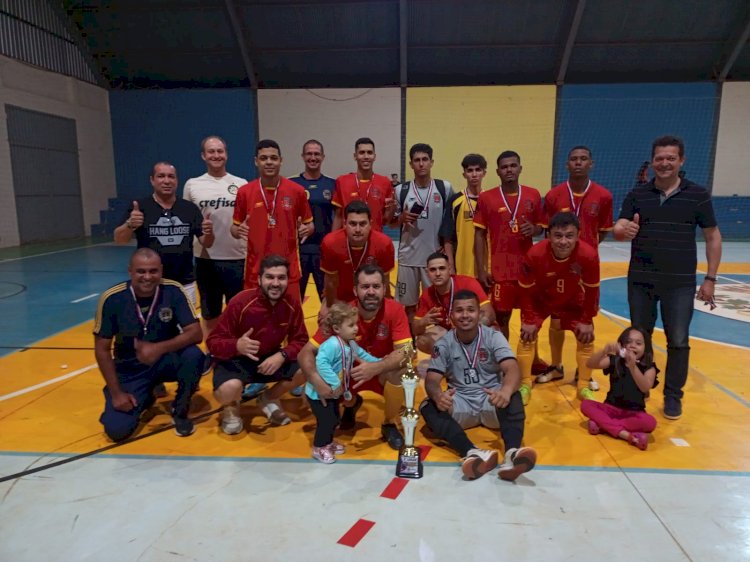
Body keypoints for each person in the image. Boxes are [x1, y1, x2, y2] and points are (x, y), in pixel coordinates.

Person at [614, 135, 722, 420]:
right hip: (641, 279)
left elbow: (713, 236)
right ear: (653, 161)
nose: (664, 163)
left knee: (678, 339)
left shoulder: (697, 195)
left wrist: (710, 278)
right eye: (660, 158)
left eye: (670, 158)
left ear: (681, 160)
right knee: (639, 338)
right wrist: (624, 230)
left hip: (680, 283)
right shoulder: (638, 194)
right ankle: (636, 391)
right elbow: (620, 225)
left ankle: (673, 395)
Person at [421, 289, 537, 481]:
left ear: (479, 313)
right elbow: (432, 380)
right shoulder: (443, 344)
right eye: (459, 310)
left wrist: (506, 391)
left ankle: (512, 454)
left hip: (491, 399)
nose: (465, 315)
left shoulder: (493, 336)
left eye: (470, 310)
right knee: (427, 405)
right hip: (460, 402)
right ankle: (473, 453)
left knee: (514, 395)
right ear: (451, 316)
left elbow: (512, 368)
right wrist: (438, 396)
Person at [94, 248, 205, 441]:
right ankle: (144, 396)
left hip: (166, 360)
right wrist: (117, 393)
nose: (147, 277)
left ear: (161, 271)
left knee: (194, 356)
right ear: (130, 271)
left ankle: (180, 411)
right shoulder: (113, 298)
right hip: (131, 368)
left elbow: (196, 333)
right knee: (117, 431)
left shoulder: (173, 290)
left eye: (153, 271)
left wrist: (158, 348)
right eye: (141, 271)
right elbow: (102, 350)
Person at [298, 264, 412, 449]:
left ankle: (389, 423)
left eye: (376, 286)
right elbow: (305, 352)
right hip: (347, 375)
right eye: (365, 287)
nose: (371, 292)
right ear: (355, 290)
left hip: (378, 371)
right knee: (306, 373)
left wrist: (376, 367)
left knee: (404, 372)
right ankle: (350, 405)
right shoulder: (341, 314)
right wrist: (314, 380)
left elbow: (407, 351)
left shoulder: (395, 310)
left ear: (384, 288)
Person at [207, 255, 309, 433]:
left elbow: (301, 340)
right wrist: (237, 345)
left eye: (281, 278)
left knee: (308, 366)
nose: (275, 283)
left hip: (270, 359)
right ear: (259, 279)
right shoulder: (240, 302)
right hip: (237, 360)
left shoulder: (292, 304)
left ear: (288, 280)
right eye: (270, 277)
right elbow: (213, 342)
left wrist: (282, 355)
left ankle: (268, 398)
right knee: (229, 389)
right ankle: (231, 407)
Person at [473, 150, 544, 403]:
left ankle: (530, 362)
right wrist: (481, 269)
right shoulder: (487, 198)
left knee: (530, 319)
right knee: (501, 319)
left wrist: (534, 228)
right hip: (501, 271)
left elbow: (542, 226)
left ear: (520, 168)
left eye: (513, 165)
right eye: (504, 167)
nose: (509, 170)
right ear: (498, 171)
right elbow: (479, 235)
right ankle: (504, 363)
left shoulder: (534, 195)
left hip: (528, 271)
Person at [539, 146, 613, 388]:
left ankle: (584, 374)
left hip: (585, 270)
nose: (578, 163)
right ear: (567, 164)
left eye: (583, 159)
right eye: (574, 159)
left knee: (585, 320)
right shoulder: (553, 196)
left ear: (591, 163)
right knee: (556, 319)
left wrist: (583, 253)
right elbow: (547, 231)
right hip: (557, 268)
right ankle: (556, 366)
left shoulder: (603, 196)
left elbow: (600, 232)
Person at [516, 212, 600, 401]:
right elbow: (525, 291)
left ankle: (583, 386)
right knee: (526, 336)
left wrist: (587, 320)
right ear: (548, 236)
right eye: (558, 236)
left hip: (572, 298)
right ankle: (524, 385)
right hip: (541, 298)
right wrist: (528, 319)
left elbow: (592, 291)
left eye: (569, 236)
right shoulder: (534, 254)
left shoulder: (589, 255)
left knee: (586, 335)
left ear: (578, 235)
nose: (563, 242)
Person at [114, 162, 213, 307]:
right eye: (161, 176)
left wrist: (209, 232)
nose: (166, 181)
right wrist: (130, 224)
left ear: (176, 181)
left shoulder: (189, 208)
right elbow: (119, 240)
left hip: (184, 282)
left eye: (171, 177)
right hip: (149, 282)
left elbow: (207, 243)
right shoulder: (140, 207)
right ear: (152, 180)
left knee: (187, 326)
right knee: (151, 325)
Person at [231, 139, 314, 302]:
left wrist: (308, 229)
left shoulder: (296, 191)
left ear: (281, 161)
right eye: (264, 158)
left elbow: (309, 224)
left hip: (288, 272)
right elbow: (234, 229)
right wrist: (238, 230)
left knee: (290, 323)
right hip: (255, 273)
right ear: (256, 161)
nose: (269, 162)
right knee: (256, 321)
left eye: (273, 158)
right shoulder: (244, 192)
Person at [183, 136, 248, 334]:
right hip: (206, 259)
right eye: (211, 151)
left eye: (220, 151)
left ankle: (236, 353)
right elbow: (188, 221)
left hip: (238, 257)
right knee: (210, 313)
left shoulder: (241, 184)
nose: (216, 155)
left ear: (226, 154)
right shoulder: (193, 185)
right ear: (203, 155)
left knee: (239, 311)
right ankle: (213, 352)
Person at [307, 302, 381, 464]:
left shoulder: (351, 343)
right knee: (327, 421)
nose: (356, 328)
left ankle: (328, 442)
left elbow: (363, 355)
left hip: (333, 392)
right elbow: (321, 363)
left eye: (356, 324)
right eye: (351, 325)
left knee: (334, 418)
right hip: (319, 394)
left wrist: (380, 363)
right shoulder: (332, 345)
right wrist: (334, 383)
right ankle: (319, 447)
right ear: (337, 328)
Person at [392, 143, 455, 321]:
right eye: (417, 160)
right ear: (411, 164)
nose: (421, 164)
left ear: (431, 162)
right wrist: (401, 218)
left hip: (435, 259)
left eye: (425, 159)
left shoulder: (445, 188)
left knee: (438, 305)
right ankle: (409, 345)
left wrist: (449, 250)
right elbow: (392, 223)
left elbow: (452, 222)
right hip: (408, 259)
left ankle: (437, 345)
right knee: (408, 307)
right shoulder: (401, 191)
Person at [582, 327, 659, 450]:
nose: (633, 346)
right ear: (622, 345)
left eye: (638, 343)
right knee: (586, 404)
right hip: (610, 408)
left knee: (650, 422)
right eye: (628, 342)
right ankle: (627, 435)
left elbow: (645, 387)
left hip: (634, 413)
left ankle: (603, 425)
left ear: (646, 347)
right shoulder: (615, 360)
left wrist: (633, 367)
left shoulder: (649, 368)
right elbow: (590, 364)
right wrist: (604, 351)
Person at [320, 200, 395, 317]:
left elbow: (384, 281)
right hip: (341, 299)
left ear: (370, 223)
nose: (358, 229)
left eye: (363, 224)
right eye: (353, 224)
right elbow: (330, 282)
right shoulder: (330, 243)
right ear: (344, 223)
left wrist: (386, 309)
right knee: (325, 321)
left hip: (371, 298)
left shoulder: (384, 244)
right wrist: (331, 308)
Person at [413, 251, 494, 355]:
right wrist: (422, 322)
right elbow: (415, 329)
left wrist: (467, 332)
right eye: (433, 270)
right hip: (451, 334)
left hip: (473, 329)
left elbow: (490, 314)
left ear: (450, 269)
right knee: (422, 341)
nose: (437, 273)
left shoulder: (467, 283)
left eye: (442, 268)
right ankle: (449, 362)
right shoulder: (427, 294)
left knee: (492, 332)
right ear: (427, 273)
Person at [289, 139, 337, 301]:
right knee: (294, 301)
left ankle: (327, 328)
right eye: (309, 154)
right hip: (297, 252)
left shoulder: (332, 184)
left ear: (323, 157)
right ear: (303, 156)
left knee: (328, 300)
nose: (313, 157)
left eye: (316, 154)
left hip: (323, 251)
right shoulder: (291, 184)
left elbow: (339, 217)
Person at [332, 137, 396, 232]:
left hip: (375, 240)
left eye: (369, 153)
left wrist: (392, 209)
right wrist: (333, 241)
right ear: (355, 156)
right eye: (362, 153)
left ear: (374, 156)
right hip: (348, 240)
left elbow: (385, 221)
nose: (366, 156)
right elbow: (338, 217)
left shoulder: (385, 182)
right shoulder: (342, 181)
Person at [447, 153, 488, 277]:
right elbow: (447, 238)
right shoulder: (455, 201)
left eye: (478, 170)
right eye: (470, 170)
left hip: (486, 269)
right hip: (462, 268)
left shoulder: (490, 200)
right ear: (464, 174)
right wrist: (451, 266)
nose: (474, 174)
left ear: (484, 173)